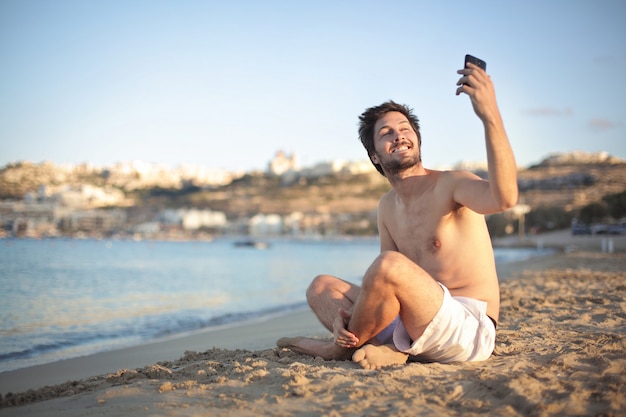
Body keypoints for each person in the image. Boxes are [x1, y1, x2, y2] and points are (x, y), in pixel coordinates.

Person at [277, 60, 518, 369]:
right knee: (321, 287)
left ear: (417, 140)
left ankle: (341, 350)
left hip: (466, 328)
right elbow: (384, 290)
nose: (399, 135)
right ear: (375, 156)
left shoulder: (452, 184)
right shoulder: (387, 206)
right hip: (413, 321)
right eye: (387, 133)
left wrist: (489, 114)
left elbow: (506, 198)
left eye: (405, 129)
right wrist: (344, 319)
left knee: (388, 265)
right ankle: (383, 346)